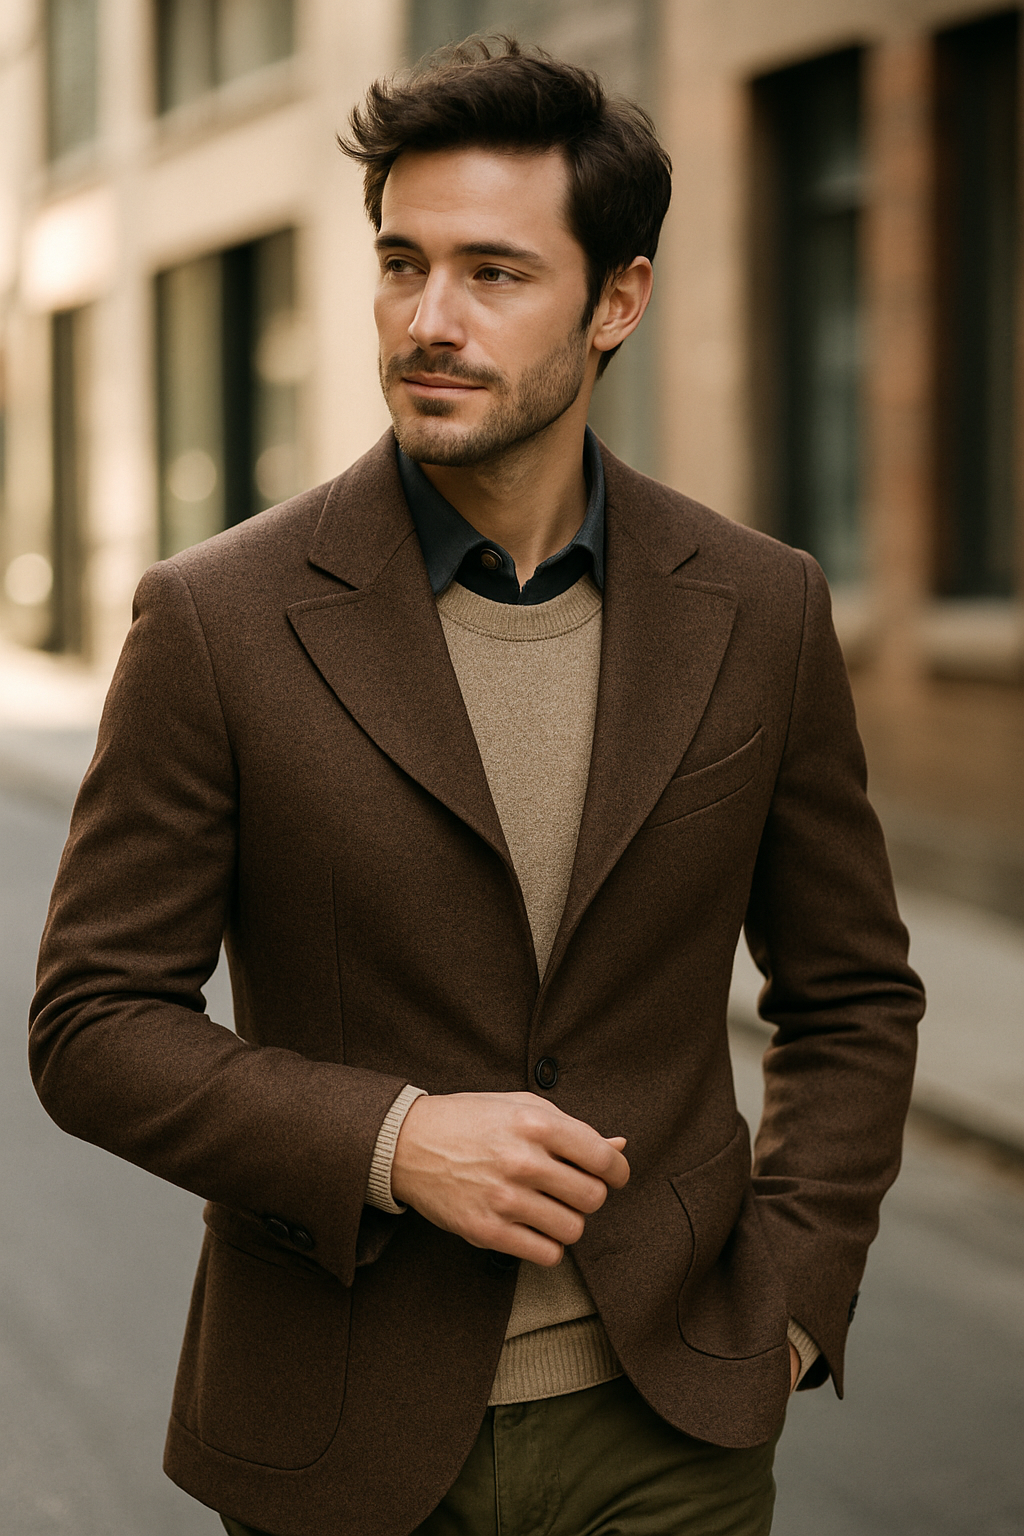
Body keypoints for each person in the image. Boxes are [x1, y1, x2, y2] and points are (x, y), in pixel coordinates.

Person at [30, 36, 924, 1536]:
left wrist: (792, 1298)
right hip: (337, 1432)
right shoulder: (219, 619)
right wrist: (388, 1142)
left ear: (617, 300)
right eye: (401, 264)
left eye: (494, 274)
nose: (428, 321)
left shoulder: (761, 610)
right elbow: (93, 1024)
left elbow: (853, 994)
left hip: (671, 1427)